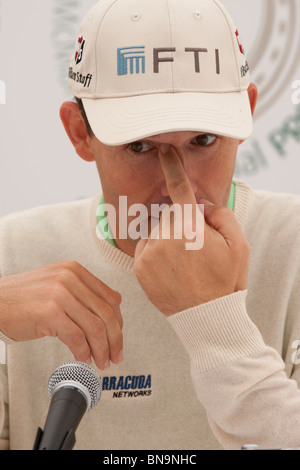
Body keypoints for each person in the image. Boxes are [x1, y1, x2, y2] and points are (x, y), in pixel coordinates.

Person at [1, 0, 300, 451]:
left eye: (203, 140)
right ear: (80, 132)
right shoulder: (13, 254)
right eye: (140, 146)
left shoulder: (293, 244)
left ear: (247, 113)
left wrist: (215, 327)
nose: (176, 182)